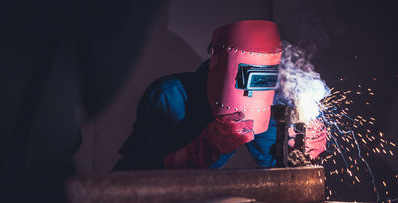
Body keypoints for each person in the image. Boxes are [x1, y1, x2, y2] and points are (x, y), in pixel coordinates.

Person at [113, 20, 326, 171]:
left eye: (264, 78)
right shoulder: (167, 97)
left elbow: (277, 170)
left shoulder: (266, 106)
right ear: (217, 61)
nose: (255, 90)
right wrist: (183, 158)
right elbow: (128, 175)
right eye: (248, 76)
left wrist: (299, 154)